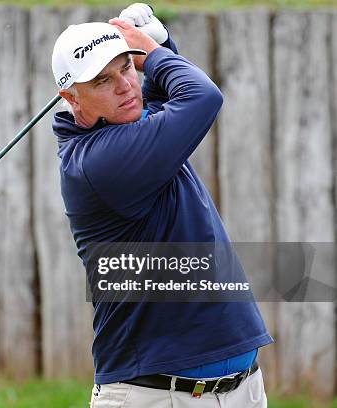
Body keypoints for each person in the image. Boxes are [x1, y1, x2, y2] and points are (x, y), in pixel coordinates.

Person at [50, 4, 273, 407]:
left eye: (125, 68)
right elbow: (201, 97)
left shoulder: (125, 126)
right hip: (154, 395)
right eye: (103, 80)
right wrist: (150, 52)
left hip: (240, 389)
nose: (124, 86)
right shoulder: (99, 164)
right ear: (71, 98)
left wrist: (162, 43)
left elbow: (160, 95)